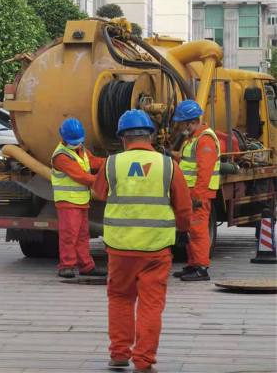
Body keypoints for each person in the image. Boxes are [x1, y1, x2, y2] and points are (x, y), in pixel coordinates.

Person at [93, 109, 192, 373]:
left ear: (122, 138)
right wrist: (182, 231)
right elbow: (183, 208)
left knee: (120, 298)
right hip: (156, 249)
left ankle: (118, 354)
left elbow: (99, 193)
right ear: (150, 136)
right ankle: (144, 361)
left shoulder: (111, 163)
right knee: (151, 304)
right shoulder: (169, 165)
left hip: (120, 248)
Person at [172, 100, 220, 281]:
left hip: (199, 194)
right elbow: (188, 162)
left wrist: (197, 197)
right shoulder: (193, 139)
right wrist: (173, 156)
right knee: (190, 229)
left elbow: (204, 171)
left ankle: (201, 268)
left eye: (182, 123)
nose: (180, 127)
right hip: (190, 192)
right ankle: (193, 264)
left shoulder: (205, 139)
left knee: (198, 230)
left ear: (191, 122)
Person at [51, 117, 106, 279]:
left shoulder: (80, 149)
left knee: (82, 235)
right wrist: (105, 181)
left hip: (81, 201)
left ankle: (86, 266)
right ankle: (66, 266)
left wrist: (113, 162)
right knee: (69, 235)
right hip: (68, 202)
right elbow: (82, 177)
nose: (76, 143)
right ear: (63, 138)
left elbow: (94, 162)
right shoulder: (61, 156)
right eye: (73, 141)